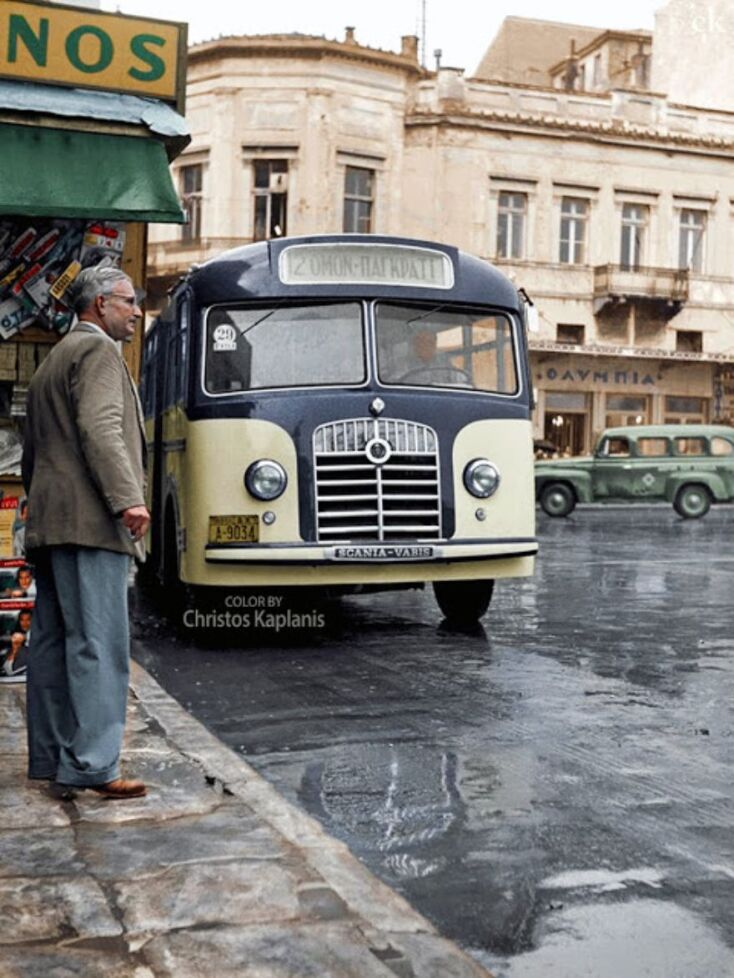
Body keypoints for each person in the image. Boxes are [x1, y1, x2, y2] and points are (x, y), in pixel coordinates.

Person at [21, 265, 150, 800]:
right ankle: (95, 764)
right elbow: (102, 429)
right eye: (127, 302)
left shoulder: (54, 357)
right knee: (99, 644)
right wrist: (129, 499)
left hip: (51, 522)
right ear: (99, 305)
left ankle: (51, 758)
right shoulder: (98, 353)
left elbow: (32, 450)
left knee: (51, 642)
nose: (136, 312)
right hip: (91, 522)